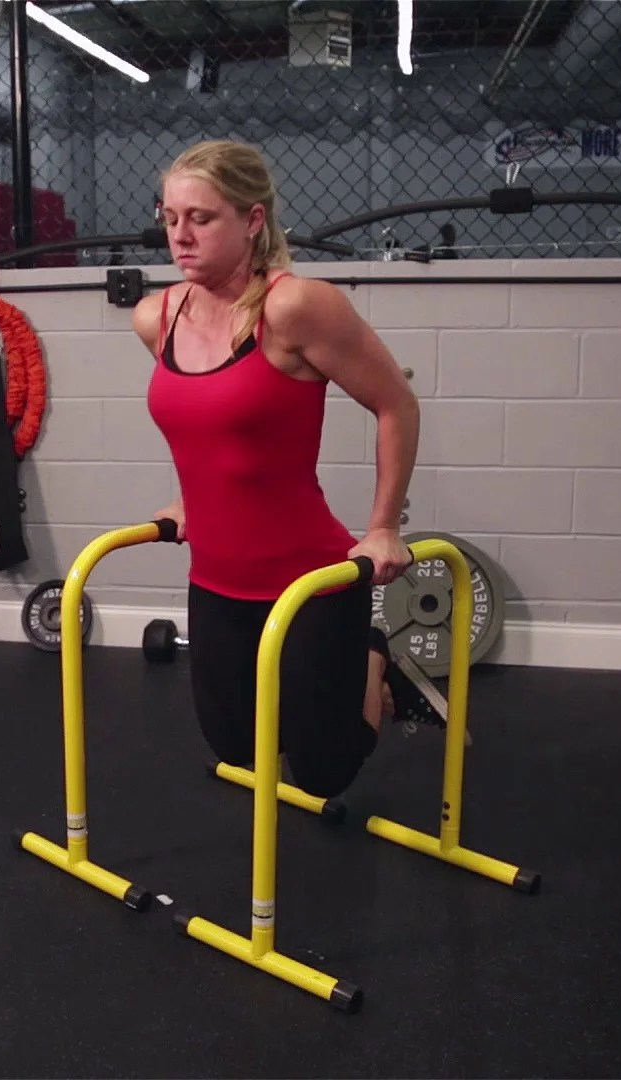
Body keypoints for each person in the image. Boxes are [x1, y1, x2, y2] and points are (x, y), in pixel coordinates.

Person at [131, 139, 423, 800]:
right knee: (235, 746)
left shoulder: (294, 308)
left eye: (201, 218)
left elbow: (396, 404)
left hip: (310, 580)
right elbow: (202, 421)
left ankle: (374, 657)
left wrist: (383, 527)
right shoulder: (157, 317)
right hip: (216, 578)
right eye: (170, 217)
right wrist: (189, 499)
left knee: (324, 774)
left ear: (253, 220)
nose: (180, 235)